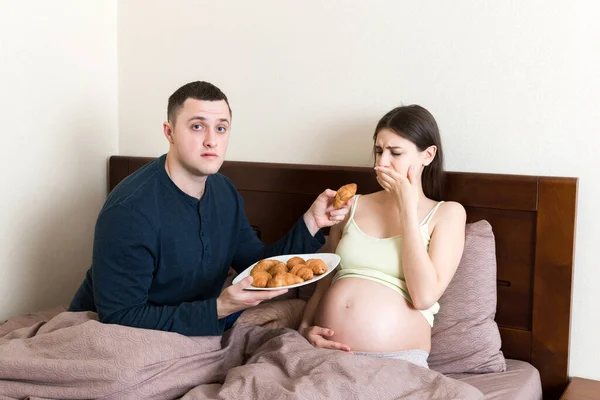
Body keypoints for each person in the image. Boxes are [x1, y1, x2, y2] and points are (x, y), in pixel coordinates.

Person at [69, 81, 351, 336]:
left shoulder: (224, 191)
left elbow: (258, 265)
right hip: (117, 329)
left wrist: (311, 222)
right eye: (196, 126)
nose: (211, 140)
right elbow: (119, 316)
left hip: (189, 321)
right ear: (170, 132)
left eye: (221, 128)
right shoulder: (129, 211)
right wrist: (217, 309)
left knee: (287, 319)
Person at [298, 105, 466, 369]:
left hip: (396, 362)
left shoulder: (447, 214)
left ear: (428, 155)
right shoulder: (351, 206)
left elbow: (423, 297)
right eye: (378, 151)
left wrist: (407, 210)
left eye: (395, 153)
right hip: (327, 356)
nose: (380, 163)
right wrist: (305, 329)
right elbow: (324, 281)